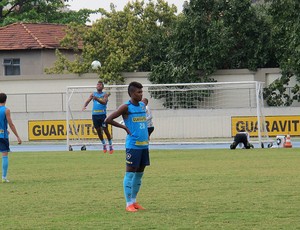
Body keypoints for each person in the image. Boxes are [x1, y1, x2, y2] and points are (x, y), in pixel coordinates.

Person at [105, 81, 149, 212]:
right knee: (130, 174)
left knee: (139, 175)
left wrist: (145, 100)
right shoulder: (126, 107)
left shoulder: (142, 105)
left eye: (142, 92)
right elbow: (108, 120)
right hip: (133, 146)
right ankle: (128, 203)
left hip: (144, 146)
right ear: (131, 93)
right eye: (138, 92)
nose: (141, 94)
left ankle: (134, 201)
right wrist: (124, 126)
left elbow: (146, 100)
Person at [82, 81, 113, 154]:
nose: (98, 86)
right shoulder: (93, 94)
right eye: (97, 85)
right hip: (95, 115)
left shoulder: (105, 94)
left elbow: (104, 102)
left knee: (106, 130)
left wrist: (97, 99)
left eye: (100, 85)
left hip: (102, 115)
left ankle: (110, 145)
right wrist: (84, 105)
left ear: (102, 87)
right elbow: (88, 100)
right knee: (98, 131)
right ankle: (104, 144)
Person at [0, 93, 22, 183]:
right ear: (5, 100)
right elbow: (11, 124)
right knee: (4, 155)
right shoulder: (6, 110)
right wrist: (17, 136)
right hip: (2, 136)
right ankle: (4, 177)